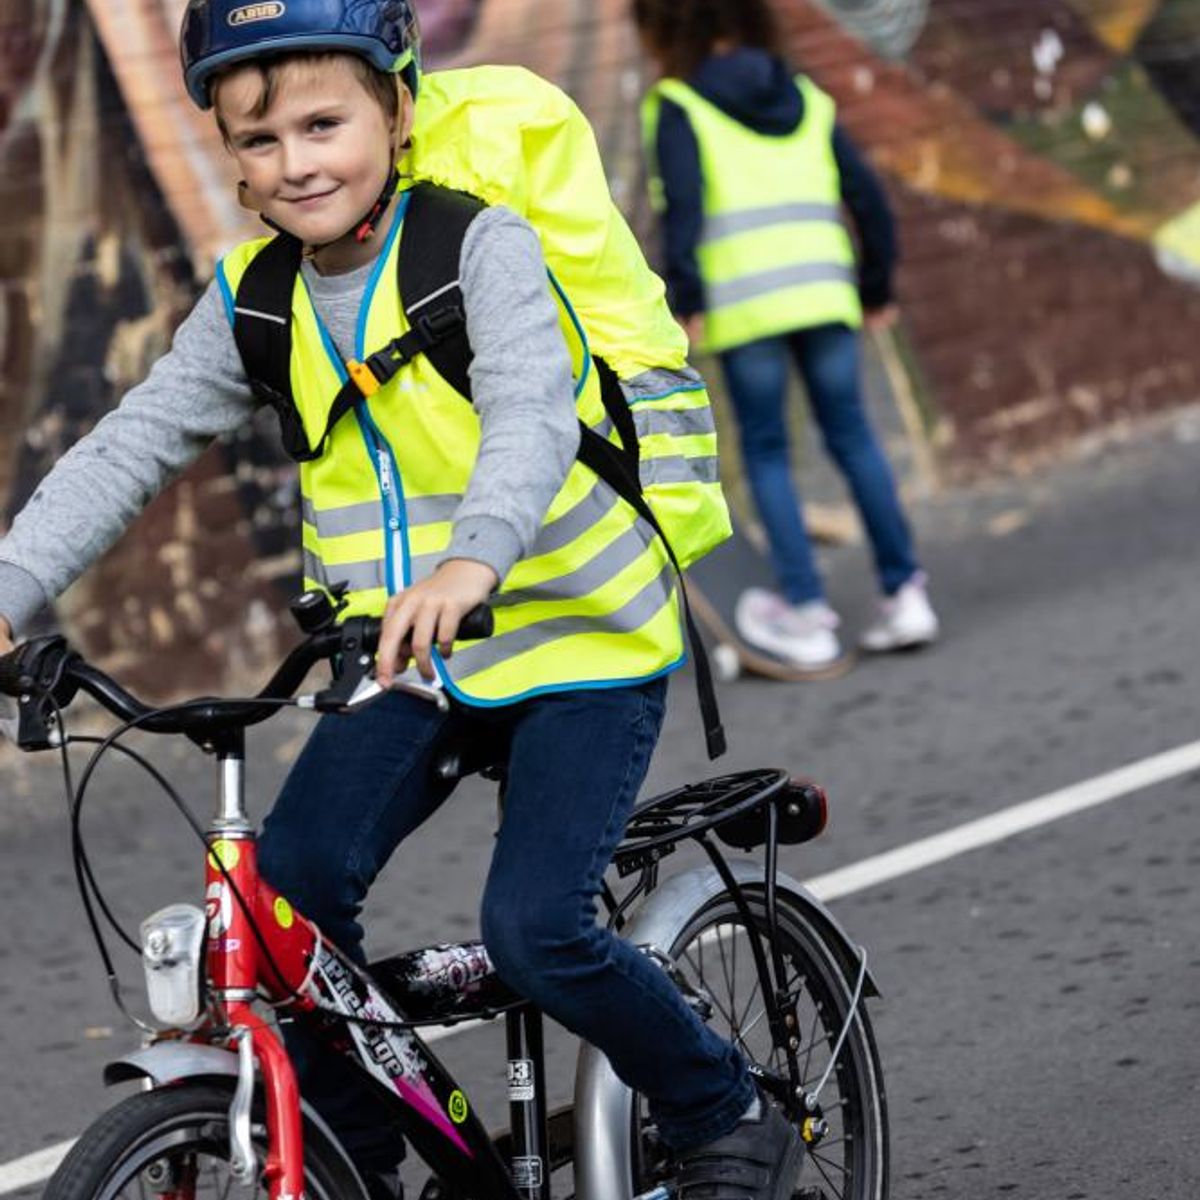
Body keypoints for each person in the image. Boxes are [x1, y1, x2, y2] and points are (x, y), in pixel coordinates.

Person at [0, 4, 804, 1198]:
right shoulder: (254, 299)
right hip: (406, 658)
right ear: (226, 151)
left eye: (325, 124)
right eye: (260, 140)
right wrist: (11, 585)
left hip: (577, 631)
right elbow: (130, 448)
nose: (297, 163)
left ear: (399, 111)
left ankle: (721, 1109)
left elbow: (533, 409)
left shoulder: (477, 248)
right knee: (281, 902)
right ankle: (355, 1153)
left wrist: (473, 559)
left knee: (537, 927)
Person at [634, 0, 940, 671]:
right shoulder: (804, 93)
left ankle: (806, 615)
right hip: (826, 293)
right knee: (854, 436)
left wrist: (684, 299)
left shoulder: (678, 103)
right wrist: (877, 284)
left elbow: (681, 210)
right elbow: (867, 196)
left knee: (769, 452)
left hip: (747, 308)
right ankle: (905, 594)